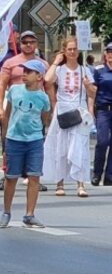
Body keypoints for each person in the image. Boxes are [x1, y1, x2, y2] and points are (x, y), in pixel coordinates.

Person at [0, 58, 52, 229]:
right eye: (24, 71)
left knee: (34, 176)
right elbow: (7, 115)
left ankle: (30, 214)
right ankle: (6, 212)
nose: (24, 74)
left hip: (34, 140)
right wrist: (5, 140)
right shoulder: (14, 90)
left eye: (29, 72)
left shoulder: (43, 97)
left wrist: (38, 134)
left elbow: (45, 119)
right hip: (14, 139)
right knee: (11, 177)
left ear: (39, 76)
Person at [43, 37, 96, 197]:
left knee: (79, 146)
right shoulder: (59, 70)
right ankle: (60, 183)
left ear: (78, 51)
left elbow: (93, 92)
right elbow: (47, 80)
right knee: (61, 146)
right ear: (64, 51)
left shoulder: (84, 70)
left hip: (79, 111)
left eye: (74, 49)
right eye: (69, 49)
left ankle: (80, 184)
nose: (72, 52)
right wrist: (55, 62)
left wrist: (88, 88)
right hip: (63, 111)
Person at [0, 30, 42, 191]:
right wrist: (0, 106)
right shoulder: (10, 62)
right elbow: (1, 85)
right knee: (7, 141)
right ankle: (6, 173)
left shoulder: (42, 64)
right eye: (25, 42)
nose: (28, 45)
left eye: (31, 42)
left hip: (35, 109)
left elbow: (49, 87)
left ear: (36, 44)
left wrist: (52, 109)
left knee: (36, 142)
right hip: (14, 108)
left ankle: (33, 176)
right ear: (20, 43)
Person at [91, 43, 112, 186]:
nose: (111, 54)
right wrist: (91, 109)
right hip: (104, 109)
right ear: (105, 54)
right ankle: (97, 173)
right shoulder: (99, 70)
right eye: (109, 51)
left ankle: (109, 175)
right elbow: (93, 92)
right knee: (102, 142)